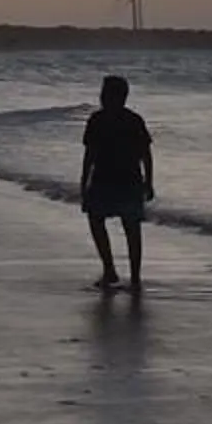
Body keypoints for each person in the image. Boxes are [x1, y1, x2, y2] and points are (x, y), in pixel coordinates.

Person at [80, 72, 154, 290]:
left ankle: (133, 276)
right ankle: (111, 270)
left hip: (125, 180)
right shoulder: (101, 120)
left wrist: (149, 182)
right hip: (109, 179)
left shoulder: (129, 120)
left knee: (130, 227)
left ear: (120, 97)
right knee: (100, 221)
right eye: (103, 94)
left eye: (107, 94)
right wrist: (84, 181)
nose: (103, 98)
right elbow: (89, 155)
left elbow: (146, 154)